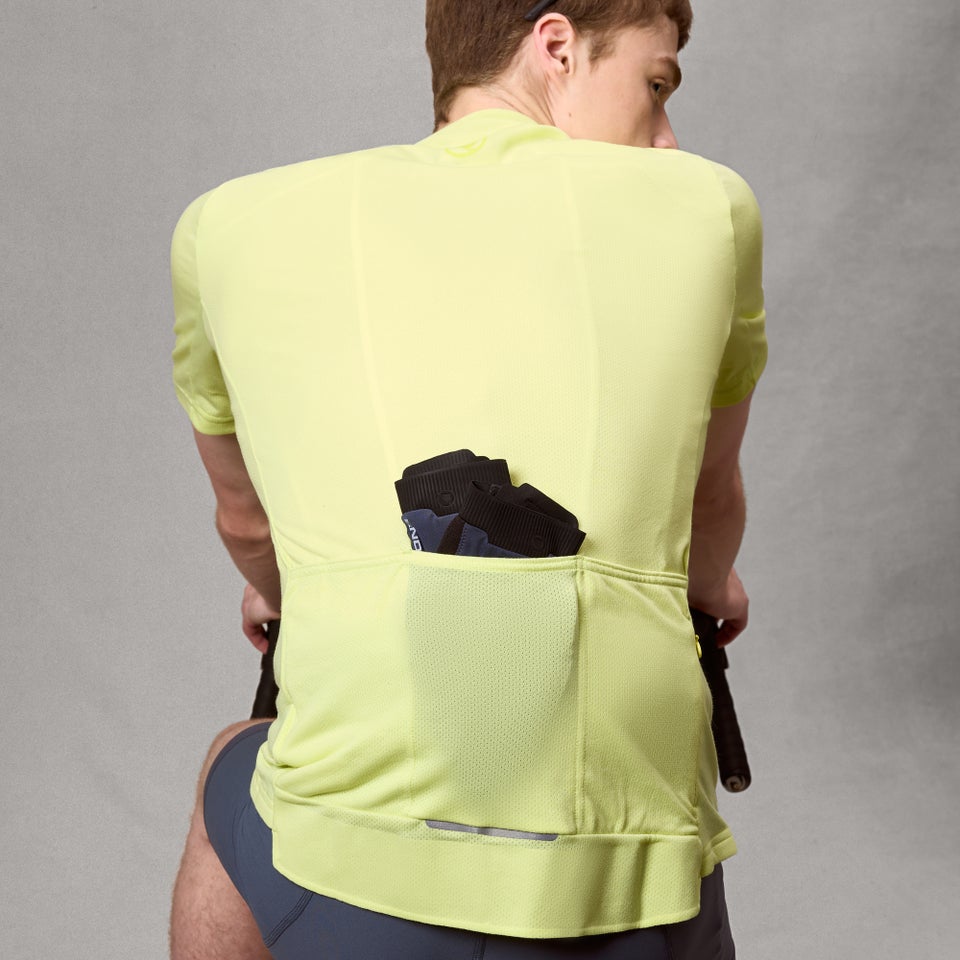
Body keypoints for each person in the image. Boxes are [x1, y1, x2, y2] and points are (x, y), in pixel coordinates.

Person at [168, 1, 766, 957]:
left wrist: (284, 588)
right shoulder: (708, 206)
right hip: (632, 883)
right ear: (557, 46)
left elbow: (247, 524)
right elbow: (708, 502)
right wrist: (712, 583)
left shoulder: (225, 224)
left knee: (231, 763)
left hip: (350, 879)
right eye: (654, 86)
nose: (667, 135)